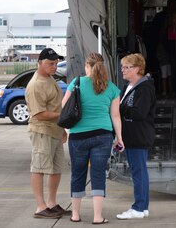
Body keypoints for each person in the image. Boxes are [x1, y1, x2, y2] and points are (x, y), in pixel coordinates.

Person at [62, 52, 123, 224]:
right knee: (98, 175)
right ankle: (97, 217)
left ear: (87, 66)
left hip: (78, 136)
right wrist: (119, 138)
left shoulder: (77, 83)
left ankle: (75, 214)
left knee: (77, 174)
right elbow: (115, 116)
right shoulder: (111, 87)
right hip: (102, 136)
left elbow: (64, 107)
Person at [25, 48, 70, 219]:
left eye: (56, 63)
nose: (54, 66)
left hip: (55, 131)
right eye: (50, 63)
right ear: (40, 63)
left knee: (56, 168)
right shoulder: (36, 85)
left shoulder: (49, 78)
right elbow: (39, 114)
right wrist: (63, 116)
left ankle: (51, 203)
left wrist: (62, 129)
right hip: (42, 131)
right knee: (39, 168)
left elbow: (54, 105)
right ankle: (40, 207)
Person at [116, 53, 156, 219]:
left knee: (138, 173)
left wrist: (119, 109)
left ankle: (138, 208)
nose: (123, 70)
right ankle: (143, 207)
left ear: (138, 69)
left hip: (138, 136)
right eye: (122, 67)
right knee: (139, 172)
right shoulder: (128, 87)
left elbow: (140, 112)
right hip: (131, 136)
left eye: (127, 67)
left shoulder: (145, 88)